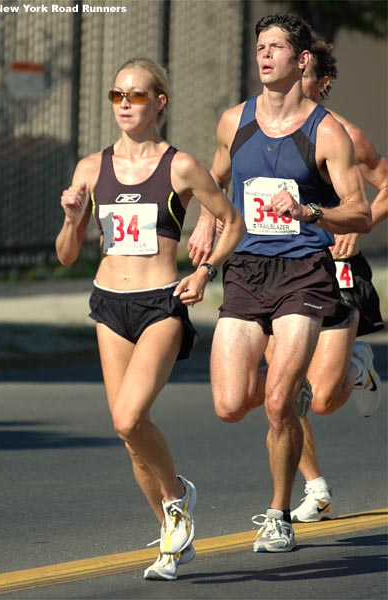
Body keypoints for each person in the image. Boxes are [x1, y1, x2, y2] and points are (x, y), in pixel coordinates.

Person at [55, 57, 245, 581]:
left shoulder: (180, 166)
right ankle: (171, 530)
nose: (124, 106)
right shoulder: (91, 168)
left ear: (159, 102)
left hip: (162, 301)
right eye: (117, 96)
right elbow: (67, 256)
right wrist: (73, 220)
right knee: (129, 434)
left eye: (135, 96)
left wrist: (205, 271)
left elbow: (232, 221)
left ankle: (179, 496)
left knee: (126, 417)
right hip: (108, 305)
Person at [188, 13, 371, 553]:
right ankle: (293, 392)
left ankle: (279, 513)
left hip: (303, 273)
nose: (265, 55)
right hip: (245, 271)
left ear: (301, 60)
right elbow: (215, 175)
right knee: (229, 403)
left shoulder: (328, 131)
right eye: (260, 47)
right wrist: (206, 218)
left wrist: (312, 211)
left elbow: (358, 212)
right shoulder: (233, 120)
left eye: (275, 47)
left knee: (277, 401)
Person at [285, 40, 387, 522]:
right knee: (282, 387)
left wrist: (352, 224)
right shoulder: (261, 129)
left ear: (321, 83)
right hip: (278, 269)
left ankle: (355, 366)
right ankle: (316, 486)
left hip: (333, 267)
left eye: (301, 75)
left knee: (321, 398)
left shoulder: (345, 134)